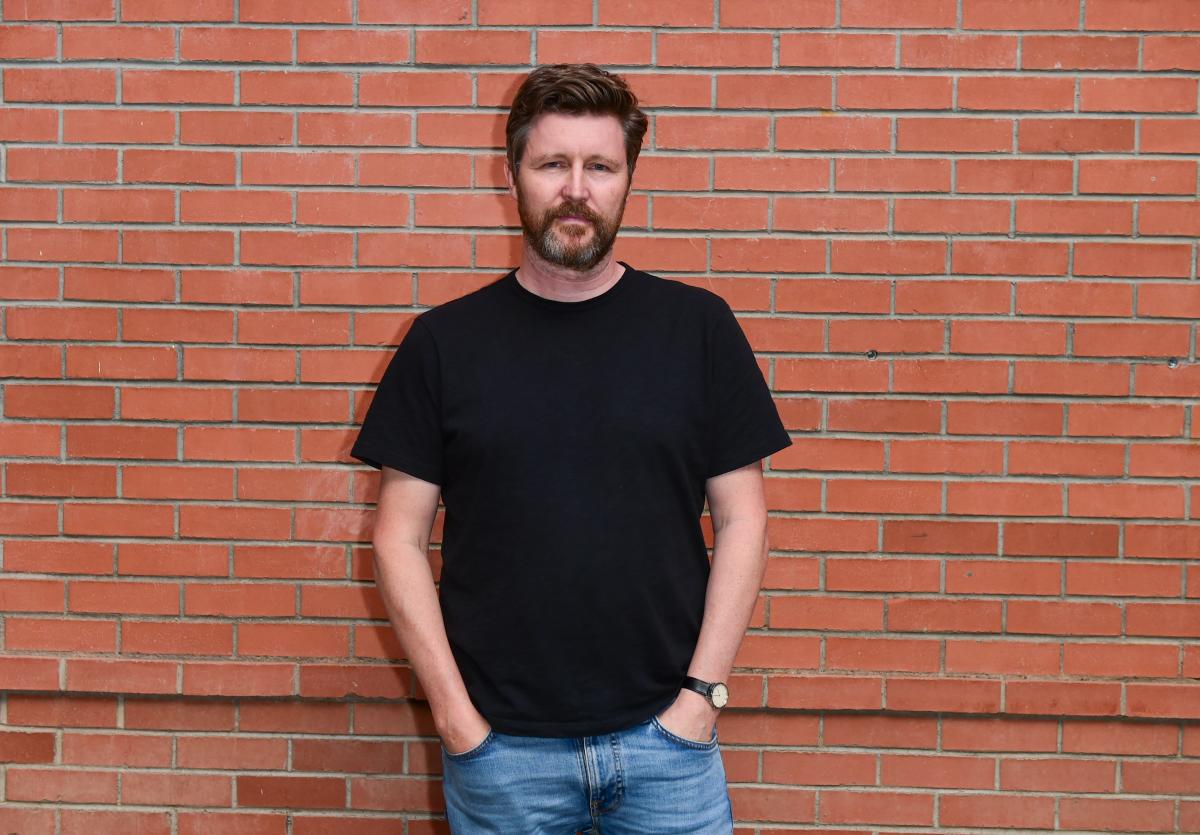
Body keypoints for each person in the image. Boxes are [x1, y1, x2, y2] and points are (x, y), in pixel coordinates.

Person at [350, 63, 791, 834]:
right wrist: (457, 722)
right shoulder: (444, 343)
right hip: (503, 757)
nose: (576, 188)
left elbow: (744, 520)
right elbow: (396, 536)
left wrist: (701, 699)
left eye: (600, 166)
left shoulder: (698, 330)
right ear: (512, 172)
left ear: (627, 178)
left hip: (670, 749)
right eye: (553, 163)